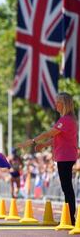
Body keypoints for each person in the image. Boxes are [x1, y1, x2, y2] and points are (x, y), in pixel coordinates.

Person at [17, 92, 78, 225]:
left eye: (58, 102)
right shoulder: (68, 120)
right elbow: (57, 137)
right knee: (66, 187)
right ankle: (70, 216)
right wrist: (44, 144)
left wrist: (32, 141)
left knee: (67, 188)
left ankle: (70, 217)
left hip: (65, 157)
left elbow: (49, 133)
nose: (55, 104)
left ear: (64, 104)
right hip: (66, 156)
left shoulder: (66, 120)